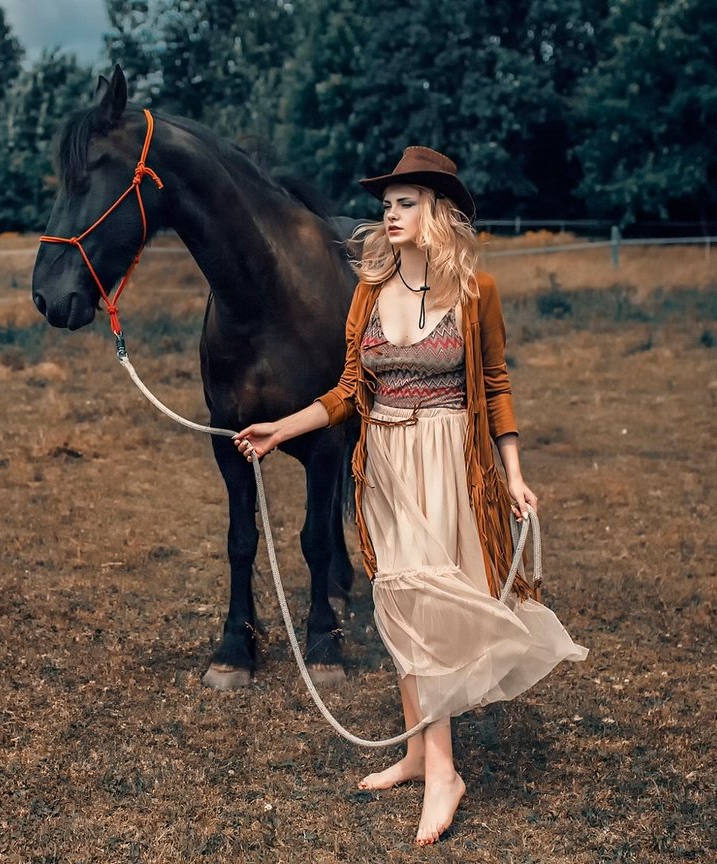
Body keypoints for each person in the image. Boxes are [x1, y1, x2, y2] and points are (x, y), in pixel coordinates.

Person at [233, 147, 588, 846]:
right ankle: (420, 752)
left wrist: (513, 474)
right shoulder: (370, 291)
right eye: (386, 204)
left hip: (448, 461)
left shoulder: (476, 292)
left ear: (439, 212)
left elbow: (494, 387)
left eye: (405, 203)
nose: (390, 215)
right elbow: (345, 392)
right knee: (398, 601)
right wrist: (280, 429)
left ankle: (445, 773)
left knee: (428, 603)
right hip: (387, 463)